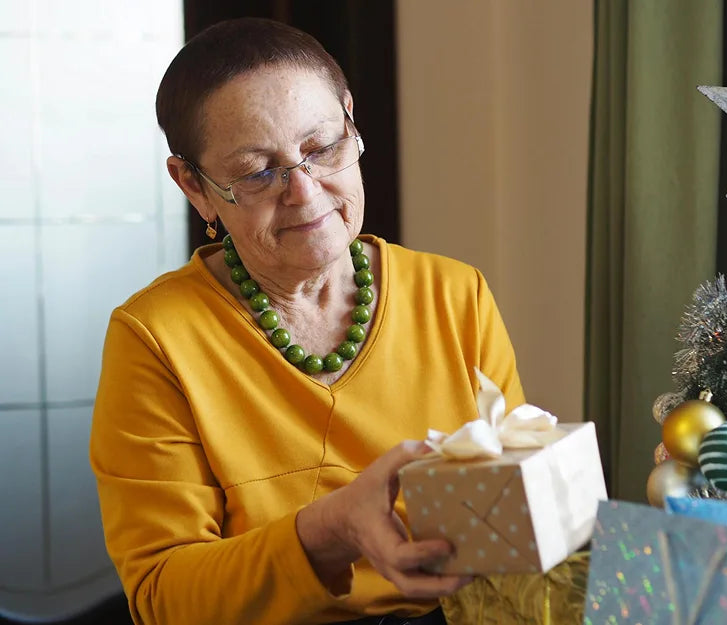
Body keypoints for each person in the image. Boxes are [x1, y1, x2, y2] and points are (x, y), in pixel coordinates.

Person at [89, 17, 525, 625]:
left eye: (321, 148)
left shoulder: (456, 294)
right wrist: (329, 530)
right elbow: (164, 599)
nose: (304, 191)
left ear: (352, 120)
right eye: (257, 172)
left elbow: (510, 524)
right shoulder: (156, 337)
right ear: (195, 186)